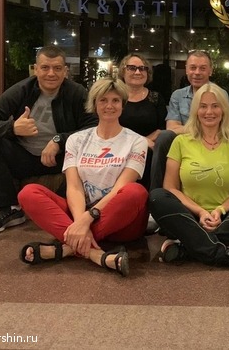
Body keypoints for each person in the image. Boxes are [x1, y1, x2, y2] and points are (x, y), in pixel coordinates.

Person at [17, 78, 149, 277]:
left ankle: (66, 247)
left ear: (123, 105)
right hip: (80, 212)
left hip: (119, 221)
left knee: (135, 192)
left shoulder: (137, 141)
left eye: (115, 100)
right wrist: (80, 221)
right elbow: (74, 186)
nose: (109, 106)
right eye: (103, 100)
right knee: (28, 193)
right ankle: (95, 254)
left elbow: (120, 189)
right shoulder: (76, 139)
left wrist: (88, 218)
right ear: (94, 105)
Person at [0, 45, 98, 235]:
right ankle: (10, 209)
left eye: (57, 68)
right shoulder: (21, 90)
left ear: (65, 71)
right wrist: (11, 128)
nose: (51, 73)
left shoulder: (76, 92)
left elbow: (93, 127)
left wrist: (59, 140)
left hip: (61, 159)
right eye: (45, 67)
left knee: (90, 155)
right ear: (36, 69)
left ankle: (61, 208)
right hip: (24, 157)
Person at [148, 83, 229, 271]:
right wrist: (200, 212)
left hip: (224, 216)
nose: (209, 112)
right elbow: (170, 187)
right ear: (195, 111)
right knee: (157, 197)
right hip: (188, 214)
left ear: (224, 110)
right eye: (203, 106)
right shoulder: (180, 141)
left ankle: (187, 245)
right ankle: (224, 253)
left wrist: (219, 211)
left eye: (215, 106)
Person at [149, 50, 229, 190]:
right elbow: (172, 129)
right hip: (183, 143)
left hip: (211, 141)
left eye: (202, 68)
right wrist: (200, 127)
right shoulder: (178, 95)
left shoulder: (220, 94)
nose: (197, 72)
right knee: (164, 137)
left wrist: (186, 128)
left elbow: (220, 126)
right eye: (193, 68)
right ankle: (156, 195)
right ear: (186, 70)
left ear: (210, 71)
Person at [118, 53, 166, 190]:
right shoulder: (116, 97)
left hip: (149, 153)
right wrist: (141, 141)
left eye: (142, 68)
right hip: (119, 150)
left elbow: (162, 129)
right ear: (123, 71)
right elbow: (110, 126)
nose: (138, 72)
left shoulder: (156, 98)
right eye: (132, 68)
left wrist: (144, 144)